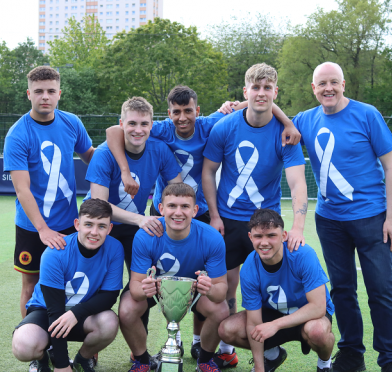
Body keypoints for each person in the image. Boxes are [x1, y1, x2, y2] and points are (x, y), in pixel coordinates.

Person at [105, 85, 301, 364]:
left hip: (203, 211)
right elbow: (115, 131)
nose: (182, 118)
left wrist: (288, 121)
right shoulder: (160, 128)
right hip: (166, 210)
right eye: (176, 112)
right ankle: (160, 344)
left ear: (197, 111)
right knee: (157, 277)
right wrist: (125, 170)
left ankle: (200, 343)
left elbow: (256, 103)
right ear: (168, 113)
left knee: (202, 279)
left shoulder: (210, 123)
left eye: (188, 111)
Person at [292, 62, 392, 372]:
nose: (328, 88)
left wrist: (391, 219)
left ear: (343, 85)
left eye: (333, 82)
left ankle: (390, 361)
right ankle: (352, 353)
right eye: (321, 84)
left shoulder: (367, 114)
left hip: (371, 219)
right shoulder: (305, 120)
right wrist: (238, 105)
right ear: (313, 89)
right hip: (329, 221)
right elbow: (275, 123)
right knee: (341, 290)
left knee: (381, 290)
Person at [201, 62, 309, 368]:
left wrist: (298, 226)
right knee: (224, 286)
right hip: (228, 220)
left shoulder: (286, 134)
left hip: (265, 223)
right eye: (255, 87)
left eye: (267, 88)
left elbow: (298, 181)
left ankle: (272, 349)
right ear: (245, 91)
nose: (261, 93)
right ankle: (221, 349)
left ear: (275, 92)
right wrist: (214, 215)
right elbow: (208, 171)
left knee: (267, 287)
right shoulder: (225, 126)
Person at [3, 66, 95, 318]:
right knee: (31, 286)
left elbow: (91, 157)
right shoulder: (17, 134)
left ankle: (79, 343)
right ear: (28, 94)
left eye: (51, 91)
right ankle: (35, 345)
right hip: (32, 227)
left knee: (72, 283)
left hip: (68, 223)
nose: (45, 96)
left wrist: (121, 150)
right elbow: (22, 190)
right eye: (39, 91)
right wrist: (43, 229)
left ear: (59, 94)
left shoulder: (71, 122)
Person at [119, 183, 229, 372]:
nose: (178, 212)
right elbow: (136, 286)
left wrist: (209, 288)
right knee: (128, 306)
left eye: (185, 207)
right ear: (161, 208)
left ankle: (204, 361)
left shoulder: (211, 237)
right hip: (157, 291)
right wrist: (145, 288)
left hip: (193, 291)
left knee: (220, 309)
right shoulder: (145, 235)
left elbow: (220, 291)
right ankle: (142, 361)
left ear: (195, 210)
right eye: (172, 206)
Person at [12, 198, 123, 372]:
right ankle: (45, 359)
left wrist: (76, 313)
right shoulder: (55, 253)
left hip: (82, 313)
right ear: (77, 224)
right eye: (88, 224)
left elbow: (109, 296)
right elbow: (55, 311)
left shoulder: (115, 248)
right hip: (47, 311)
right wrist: (62, 366)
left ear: (110, 229)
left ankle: (82, 360)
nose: (94, 232)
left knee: (109, 322)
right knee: (23, 346)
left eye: (101, 226)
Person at [218, 208, 335, 372]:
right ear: (250, 237)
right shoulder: (249, 267)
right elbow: (253, 322)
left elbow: (318, 307)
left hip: (308, 315)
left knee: (317, 332)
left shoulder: (303, 254)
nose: (264, 242)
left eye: (271, 235)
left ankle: (324, 364)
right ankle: (272, 356)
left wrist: (275, 325)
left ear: (284, 236)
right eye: (258, 236)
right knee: (228, 329)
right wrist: (259, 368)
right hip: (273, 312)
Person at [85, 96, 182, 272]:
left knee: (146, 286)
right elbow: (98, 206)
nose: (138, 130)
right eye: (132, 124)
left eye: (144, 124)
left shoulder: (159, 150)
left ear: (151, 125)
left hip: (133, 225)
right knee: (95, 284)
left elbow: (179, 190)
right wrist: (140, 219)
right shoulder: (103, 154)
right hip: (100, 223)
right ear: (121, 124)